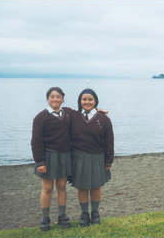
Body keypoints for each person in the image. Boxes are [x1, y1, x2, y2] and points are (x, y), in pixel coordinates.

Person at [70, 88, 114, 227]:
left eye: (90, 99)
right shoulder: (73, 117)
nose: (87, 102)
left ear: (95, 101)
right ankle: (84, 214)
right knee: (82, 187)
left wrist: (108, 160)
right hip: (79, 156)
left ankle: (95, 213)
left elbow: (109, 141)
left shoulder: (104, 119)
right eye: (84, 99)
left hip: (98, 157)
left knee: (95, 187)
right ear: (80, 101)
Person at [31, 87, 73, 231]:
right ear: (48, 99)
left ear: (62, 98)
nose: (55, 99)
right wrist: (40, 162)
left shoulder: (68, 113)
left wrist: (98, 111)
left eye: (58, 96)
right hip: (48, 157)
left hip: (65, 155)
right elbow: (36, 141)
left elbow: (83, 112)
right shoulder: (40, 117)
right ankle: (45, 218)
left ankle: (62, 216)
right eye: (52, 96)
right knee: (47, 189)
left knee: (62, 187)